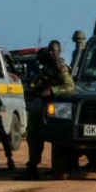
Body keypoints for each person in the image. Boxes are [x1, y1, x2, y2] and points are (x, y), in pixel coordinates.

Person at [15, 40, 75, 180]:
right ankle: (33, 168)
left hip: (51, 106)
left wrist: (51, 90)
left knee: (36, 137)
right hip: (42, 104)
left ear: (59, 51)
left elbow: (70, 86)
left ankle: (35, 169)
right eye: (49, 50)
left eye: (53, 50)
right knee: (34, 137)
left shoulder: (59, 65)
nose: (50, 53)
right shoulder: (50, 66)